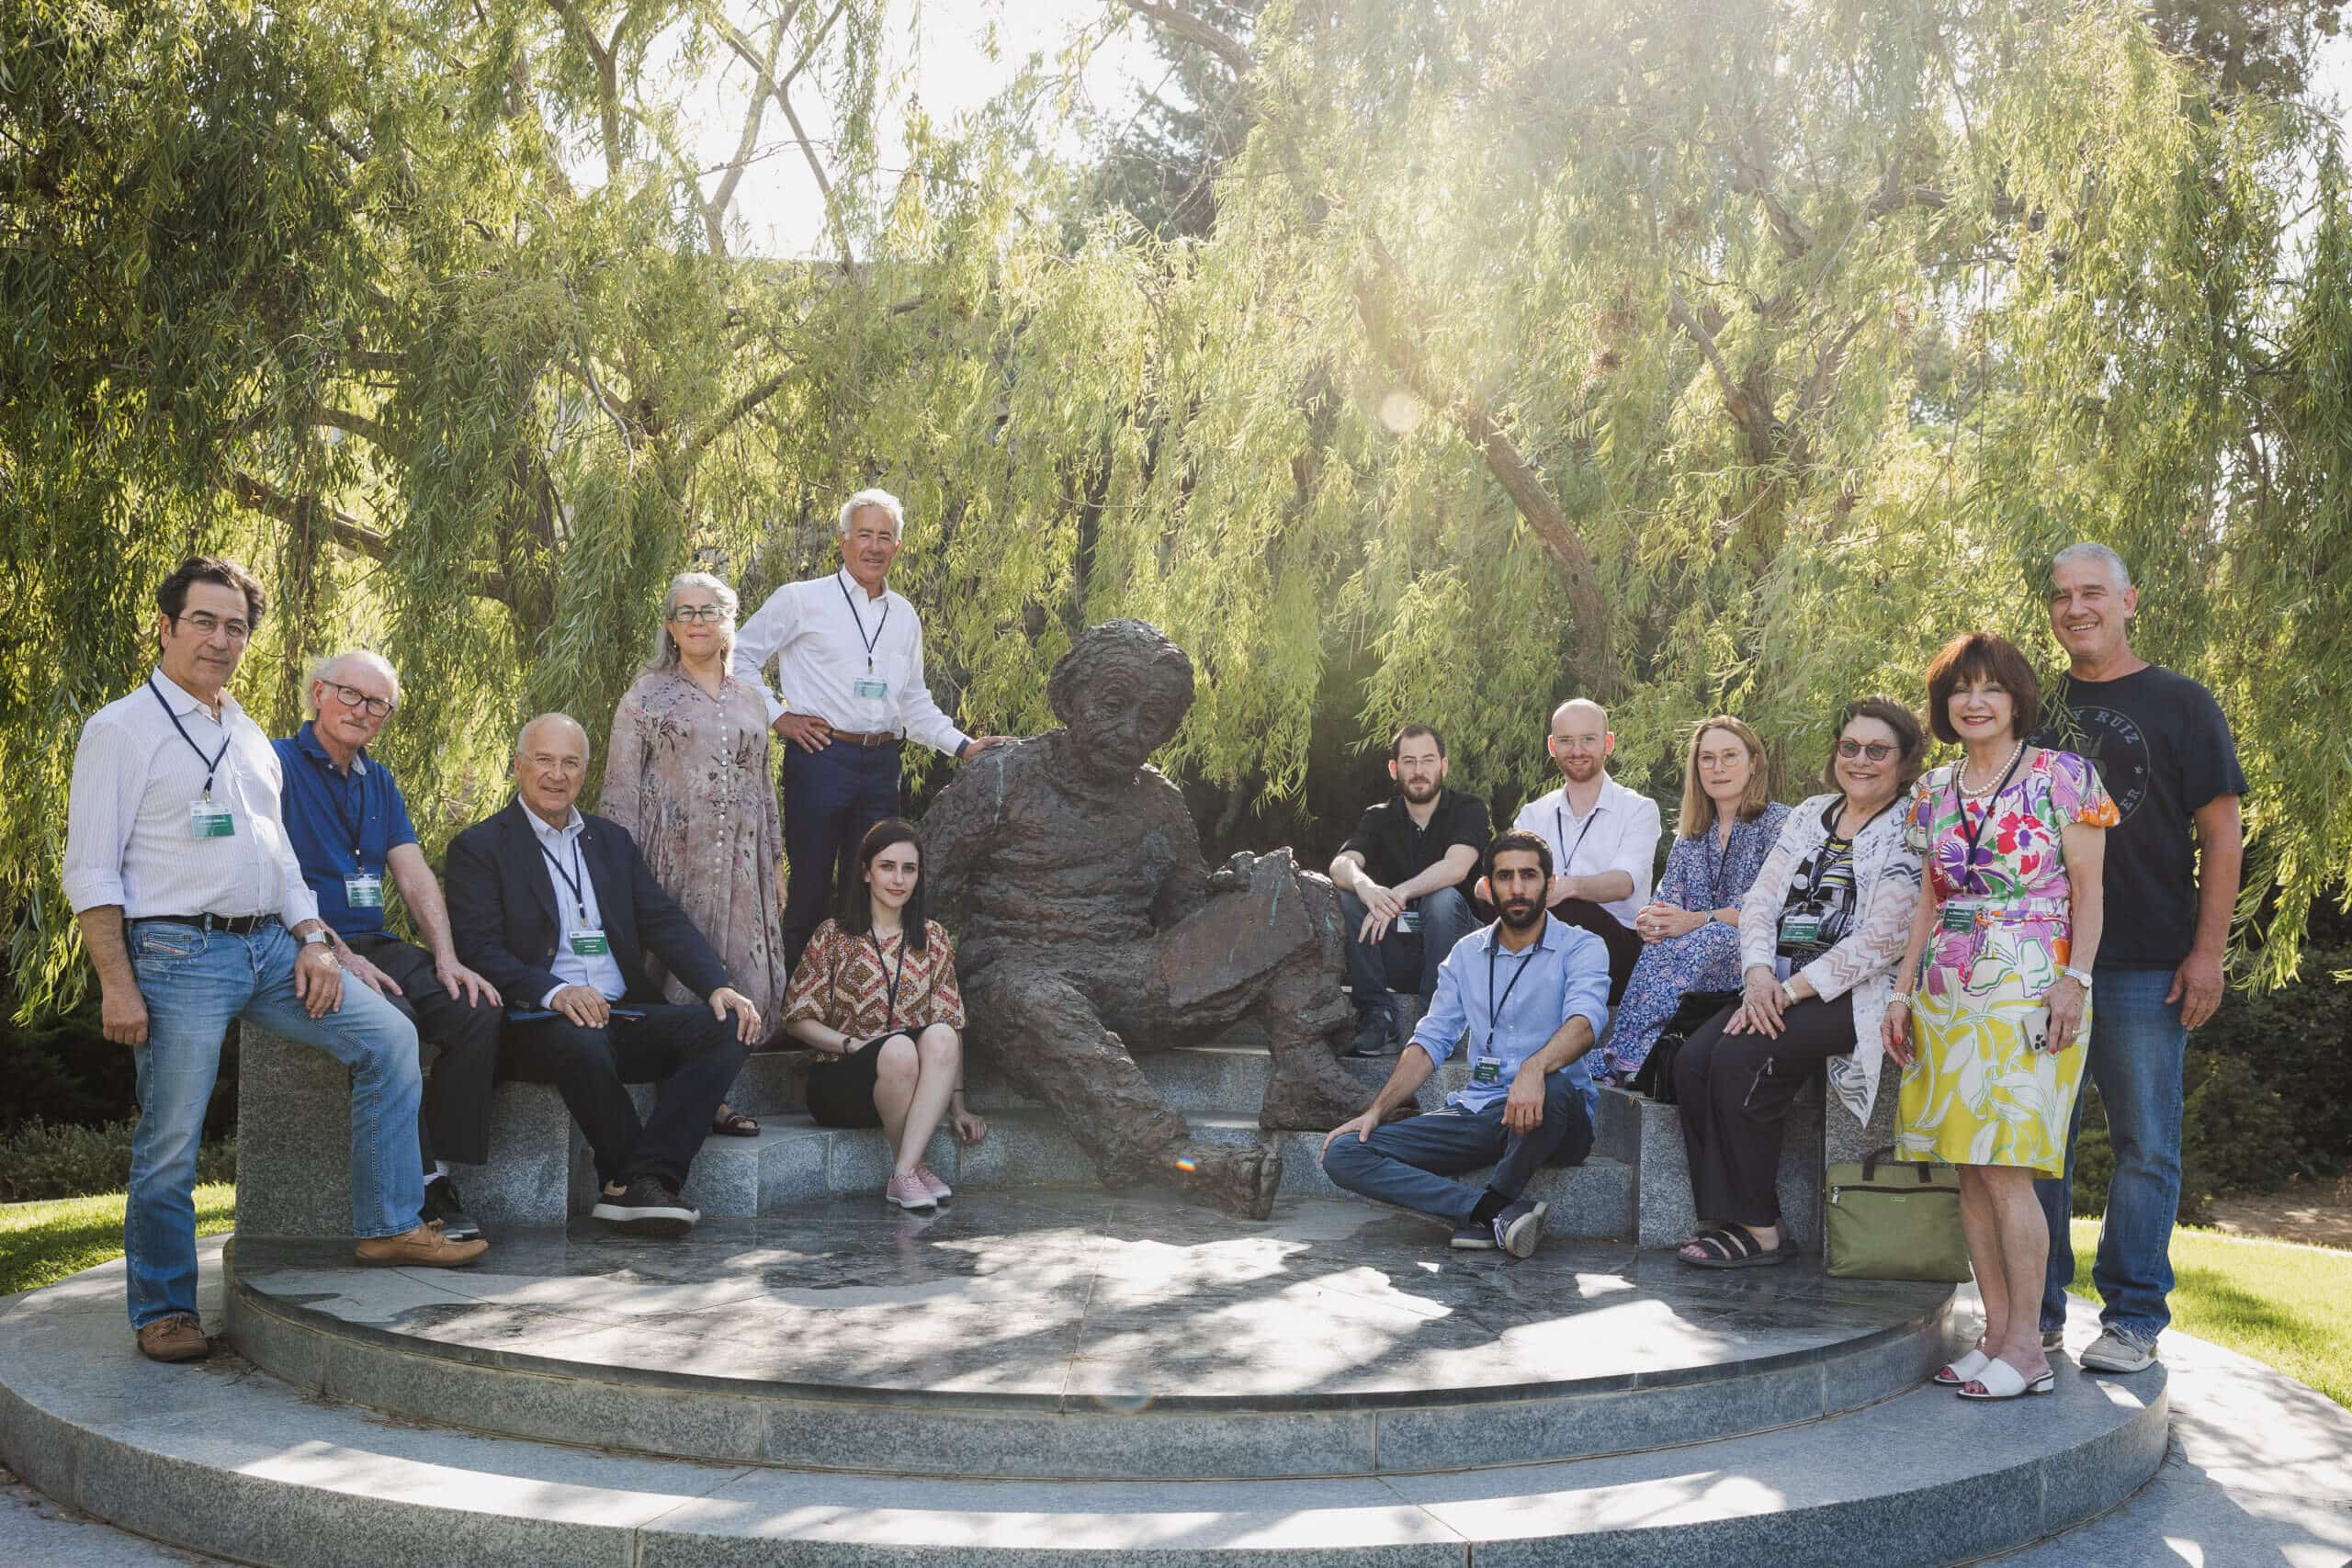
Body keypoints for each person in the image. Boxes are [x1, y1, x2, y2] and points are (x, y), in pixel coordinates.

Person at [63, 558, 484, 1362]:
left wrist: (316, 939)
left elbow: (281, 858)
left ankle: (390, 1225)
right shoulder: (120, 729)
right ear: (165, 625)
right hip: (176, 951)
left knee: (390, 1038)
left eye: (236, 627)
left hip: (270, 946)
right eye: (204, 622)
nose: (220, 640)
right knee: (171, 1139)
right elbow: (91, 869)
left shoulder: (246, 732)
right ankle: (164, 1307)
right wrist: (117, 982)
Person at [921, 619, 1373, 1220]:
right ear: (1069, 697)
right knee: (1022, 993)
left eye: (1152, 718)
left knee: (1300, 891)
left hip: (1132, 975)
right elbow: (916, 890)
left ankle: (1304, 1069)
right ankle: (1177, 1159)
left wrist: (1235, 890)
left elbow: (1188, 916)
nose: (1131, 731)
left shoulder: (1160, 802)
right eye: (1113, 705)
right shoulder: (1000, 778)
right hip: (1019, 975)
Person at [2030, 543, 2245, 1375]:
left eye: (2091, 593)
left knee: (2146, 1144)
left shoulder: (2182, 703)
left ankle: (2130, 1317)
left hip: (2147, 962)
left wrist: (2207, 952)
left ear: (2129, 601)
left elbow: (2221, 832)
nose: (2074, 607)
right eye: (2060, 596)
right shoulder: (2033, 704)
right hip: (2039, 963)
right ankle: (2036, 1308)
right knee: (2036, 1143)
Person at [1884, 633, 2112, 1400]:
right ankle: (1995, 1333)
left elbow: (2089, 890)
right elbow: (1927, 899)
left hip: (2031, 985)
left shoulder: (2063, 776)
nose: (1974, 701)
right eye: (1959, 689)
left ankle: (2029, 1346)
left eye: (1990, 688)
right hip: (1947, 990)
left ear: (2017, 698)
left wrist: (2074, 982)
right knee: (1970, 1169)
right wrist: (1900, 990)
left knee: (2008, 1165)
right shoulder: (1935, 789)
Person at [445, 714, 765, 1236]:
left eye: (570, 762)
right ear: (518, 766)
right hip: (536, 1022)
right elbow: (479, 950)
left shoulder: (610, 842)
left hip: (623, 1014)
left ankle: (643, 1178)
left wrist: (717, 985)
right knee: (581, 1037)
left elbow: (663, 921)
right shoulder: (480, 848)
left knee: (729, 1024)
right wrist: (555, 992)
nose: (556, 774)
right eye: (544, 760)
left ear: (585, 771)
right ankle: (625, 1174)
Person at [1672, 697, 1925, 1269]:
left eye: (1877, 750)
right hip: (1776, 981)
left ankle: (1761, 1230)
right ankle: (1729, 1215)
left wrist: (1788, 992)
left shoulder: (1911, 826)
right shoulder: (1812, 812)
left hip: (1853, 990)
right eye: (1850, 747)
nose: (1861, 760)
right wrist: (1759, 974)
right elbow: (1761, 901)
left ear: (1904, 760)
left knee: (1741, 1059)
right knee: (1691, 1062)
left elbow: (1884, 938)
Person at [273, 650, 505, 1243]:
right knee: (391, 1018)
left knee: (474, 1008)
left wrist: (449, 958)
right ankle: (421, 1181)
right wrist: (334, 950)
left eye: (378, 704)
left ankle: (439, 1167)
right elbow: (264, 867)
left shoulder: (379, 780)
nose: (363, 711)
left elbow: (413, 874)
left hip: (375, 940)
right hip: (305, 942)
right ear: (318, 692)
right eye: (351, 695)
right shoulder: (274, 764)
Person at [731, 488, 1009, 972]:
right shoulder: (801, 599)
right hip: (820, 758)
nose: (874, 547)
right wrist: (779, 716)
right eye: (865, 535)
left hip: (881, 766)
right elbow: (738, 658)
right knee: (812, 887)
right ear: (843, 541)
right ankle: (794, 1007)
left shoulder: (904, 616)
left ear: (897, 548)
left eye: (885, 537)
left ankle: (861, 996)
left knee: (876, 890)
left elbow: (914, 701)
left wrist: (963, 746)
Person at [1319, 830, 1611, 1258]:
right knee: (1344, 1153)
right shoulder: (1465, 954)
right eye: (1505, 877)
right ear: (1488, 889)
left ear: (1548, 886)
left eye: (1528, 876)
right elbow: (1431, 1039)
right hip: (1484, 1112)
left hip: (1557, 1117)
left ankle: (1488, 1207)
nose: (1516, 888)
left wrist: (1533, 1070)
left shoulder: (1582, 947)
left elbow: (1586, 1023)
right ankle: (1491, 1212)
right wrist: (1376, 1112)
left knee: (1556, 1089)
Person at [603, 571, 789, 1140]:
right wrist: (617, 872)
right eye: (685, 613)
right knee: (679, 978)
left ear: (729, 623)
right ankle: (695, 1099)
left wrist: (777, 863)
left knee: (748, 976)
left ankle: (714, 1090)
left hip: (742, 863)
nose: (697, 622)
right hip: (670, 861)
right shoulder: (646, 695)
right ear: (669, 626)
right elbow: (621, 786)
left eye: (709, 611)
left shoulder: (752, 698)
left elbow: (764, 785)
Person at [782, 818, 985, 1211]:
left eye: (909, 869)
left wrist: (958, 1106)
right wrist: (852, 1044)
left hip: (909, 1085)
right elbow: (795, 1016)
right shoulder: (833, 936)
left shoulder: (934, 938)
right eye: (887, 866)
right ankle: (912, 1169)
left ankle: (904, 1171)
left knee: (941, 1034)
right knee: (897, 1050)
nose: (898, 879)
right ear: (865, 871)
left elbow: (951, 1024)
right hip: (842, 1081)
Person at [1601, 716, 1791, 1085]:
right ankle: (1624, 1054)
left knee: (1708, 938)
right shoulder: (1691, 835)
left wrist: (1696, 919)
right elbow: (1667, 900)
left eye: (1729, 756)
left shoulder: (1780, 823)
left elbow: (1770, 907)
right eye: (1707, 759)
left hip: (1757, 951)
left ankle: (1634, 1058)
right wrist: (1651, 920)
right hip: (1694, 949)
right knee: (1659, 943)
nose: (1717, 768)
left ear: (1754, 762)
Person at [1327, 724, 1487, 1057]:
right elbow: (1341, 864)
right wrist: (1365, 885)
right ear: (1394, 768)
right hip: (1399, 948)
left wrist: (1399, 893)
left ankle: (1439, 1020)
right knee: (1348, 898)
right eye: (1409, 761)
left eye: (1428, 761)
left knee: (1441, 900)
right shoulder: (1379, 817)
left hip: (1456, 943)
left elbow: (1457, 867)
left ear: (1443, 765)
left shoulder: (1468, 809)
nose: (1419, 771)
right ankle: (1377, 1017)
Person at [1506, 699, 1662, 1002]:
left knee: (1568, 907)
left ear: (1608, 743)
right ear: (1552, 746)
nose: (1577, 751)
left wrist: (1568, 887)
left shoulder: (1638, 810)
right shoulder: (1533, 815)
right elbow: (1506, 875)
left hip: (1615, 944)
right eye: (1566, 741)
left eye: (1588, 739)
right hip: (1543, 933)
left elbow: (1624, 883)